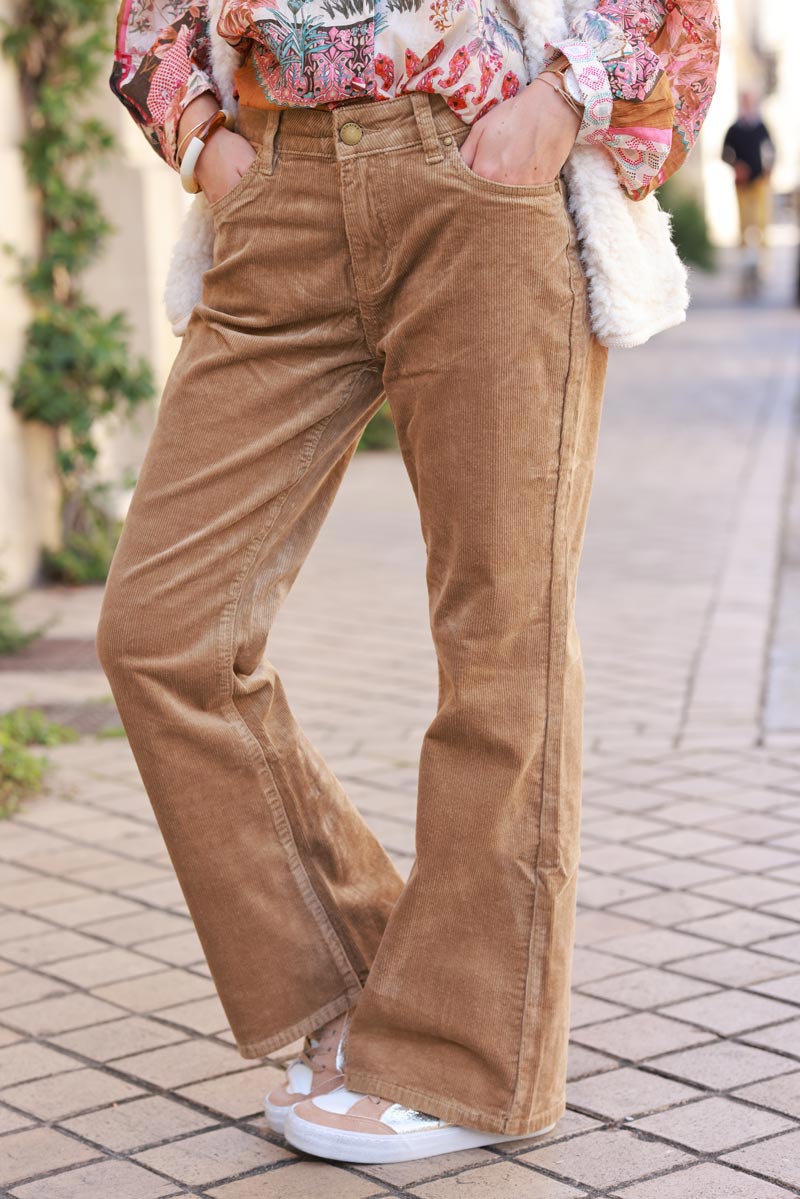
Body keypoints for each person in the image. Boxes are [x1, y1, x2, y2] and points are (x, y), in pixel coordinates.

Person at [99, 0, 720, 1166]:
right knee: (160, 630)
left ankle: (467, 1058)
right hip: (278, 186)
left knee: (501, 634)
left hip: (478, 164)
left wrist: (556, 101)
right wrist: (199, 135)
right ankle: (357, 989)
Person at [723, 88, 775, 291]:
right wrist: (736, 166)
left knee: (762, 222)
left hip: (760, 181)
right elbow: (724, 153)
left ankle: (763, 264)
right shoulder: (734, 129)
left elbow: (771, 149)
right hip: (742, 184)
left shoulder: (761, 127)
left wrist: (770, 169)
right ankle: (745, 264)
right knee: (744, 224)